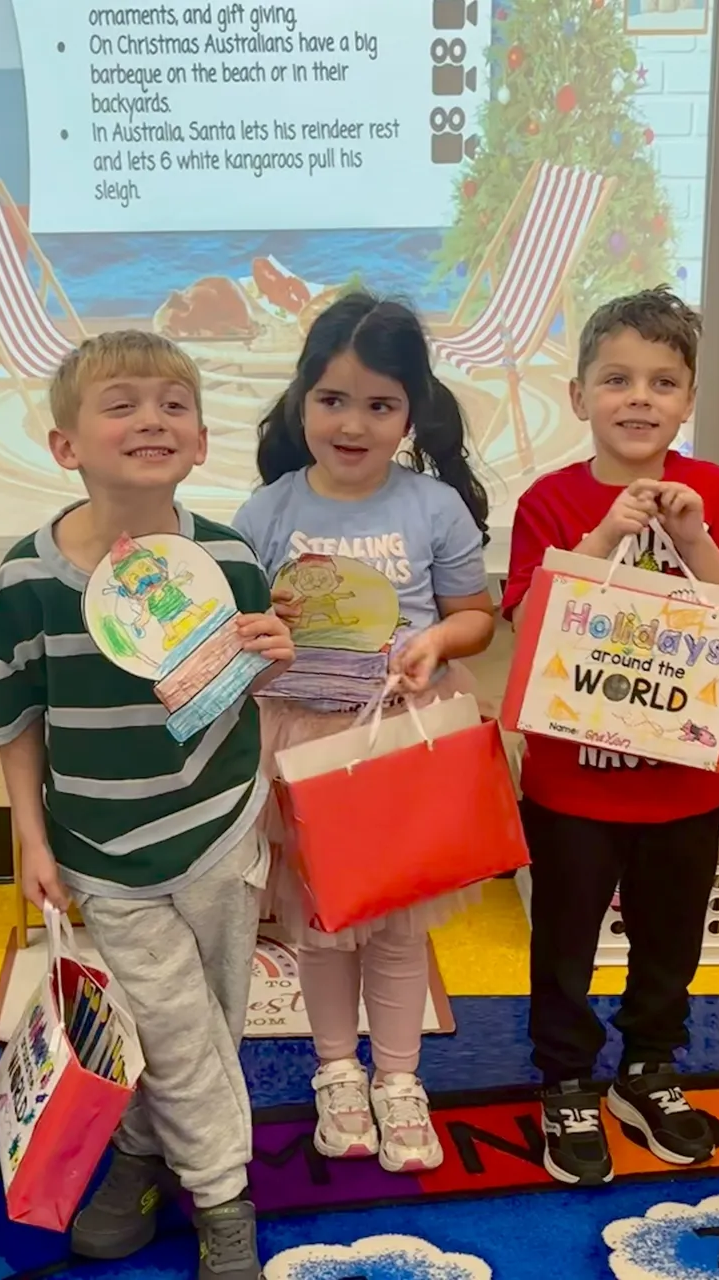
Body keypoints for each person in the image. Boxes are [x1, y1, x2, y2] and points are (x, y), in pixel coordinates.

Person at [0, 330, 294, 1280]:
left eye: (172, 405)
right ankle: (226, 1199)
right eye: (120, 404)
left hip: (217, 830)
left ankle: (144, 1154)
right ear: (65, 444)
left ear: (199, 442)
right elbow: (15, 723)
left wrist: (269, 655)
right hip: (101, 850)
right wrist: (30, 838)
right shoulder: (24, 584)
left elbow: (230, 697)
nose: (151, 418)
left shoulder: (230, 560)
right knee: (172, 1027)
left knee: (210, 1023)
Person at [500, 285, 719, 1188]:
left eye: (662, 380)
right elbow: (528, 618)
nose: (639, 397)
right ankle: (567, 1078)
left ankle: (648, 1067)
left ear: (689, 399)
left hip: (685, 780)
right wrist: (601, 532)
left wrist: (694, 541)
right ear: (579, 397)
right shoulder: (548, 500)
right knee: (565, 939)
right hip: (574, 784)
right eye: (616, 379)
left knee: (669, 939)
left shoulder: (713, 490)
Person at [231, 293, 496, 1173]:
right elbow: (235, 631)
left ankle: (399, 1079)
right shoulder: (265, 512)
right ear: (302, 399)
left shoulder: (432, 508)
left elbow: (475, 618)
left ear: (411, 411)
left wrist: (435, 642)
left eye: (380, 405)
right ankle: (336, 1072)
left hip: (399, 740)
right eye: (333, 400)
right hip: (299, 743)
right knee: (318, 916)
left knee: (395, 922)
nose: (353, 424)